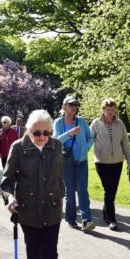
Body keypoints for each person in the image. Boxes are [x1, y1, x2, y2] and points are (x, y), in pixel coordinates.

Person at [1, 109, 69, 259]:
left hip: (52, 211)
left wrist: (61, 196)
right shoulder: (18, 148)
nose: (41, 137)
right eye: (36, 132)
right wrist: (10, 198)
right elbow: (7, 182)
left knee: (50, 257)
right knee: (34, 255)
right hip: (28, 211)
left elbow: (59, 177)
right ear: (28, 130)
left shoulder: (56, 146)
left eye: (45, 132)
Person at [90, 98, 130, 231]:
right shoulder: (96, 123)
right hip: (101, 162)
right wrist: (80, 154)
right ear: (103, 110)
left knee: (112, 191)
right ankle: (112, 219)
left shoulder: (120, 124)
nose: (110, 111)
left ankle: (106, 213)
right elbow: (88, 140)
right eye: (107, 109)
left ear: (115, 109)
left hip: (117, 162)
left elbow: (125, 144)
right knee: (109, 189)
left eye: (112, 109)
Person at [53, 96, 95, 232]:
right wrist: (70, 133)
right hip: (66, 163)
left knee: (83, 191)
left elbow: (90, 137)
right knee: (70, 192)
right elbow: (56, 141)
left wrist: (87, 147)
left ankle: (86, 220)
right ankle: (71, 219)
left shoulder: (81, 121)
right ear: (64, 107)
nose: (74, 107)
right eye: (71, 104)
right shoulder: (58, 123)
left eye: (75, 105)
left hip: (81, 161)